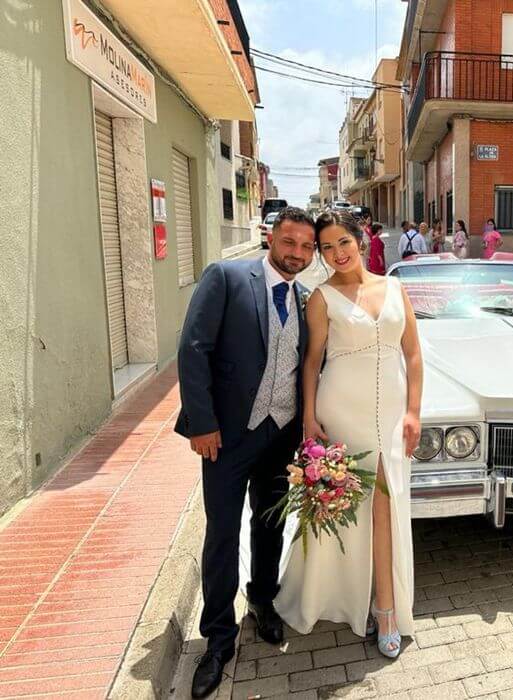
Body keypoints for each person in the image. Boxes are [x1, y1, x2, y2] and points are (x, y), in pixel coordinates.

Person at [175, 207, 316, 698]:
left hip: (281, 435)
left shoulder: (304, 300)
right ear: (271, 238)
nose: (297, 253)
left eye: (306, 247)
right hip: (227, 436)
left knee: (270, 524)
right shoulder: (227, 277)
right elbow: (193, 348)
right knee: (221, 534)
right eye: (290, 242)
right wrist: (203, 423)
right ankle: (217, 637)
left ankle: (262, 600)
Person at [276, 210, 423, 660]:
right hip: (343, 410)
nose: (337, 254)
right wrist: (309, 418)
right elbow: (312, 361)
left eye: (343, 242)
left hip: (393, 414)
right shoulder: (321, 297)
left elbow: (413, 355)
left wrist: (415, 412)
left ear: (360, 240)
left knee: (387, 504)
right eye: (326, 248)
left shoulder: (395, 287)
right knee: (359, 505)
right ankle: (379, 609)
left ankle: (385, 605)